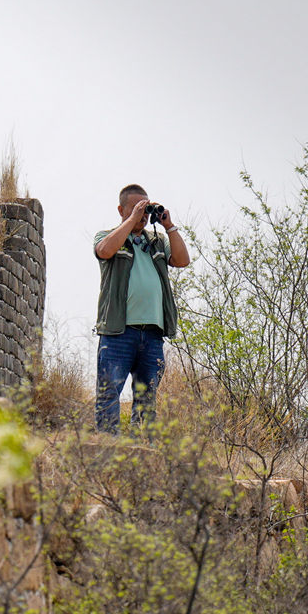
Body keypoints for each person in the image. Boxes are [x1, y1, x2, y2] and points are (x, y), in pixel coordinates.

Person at [92, 184, 191, 434]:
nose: (143, 215)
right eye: (137, 208)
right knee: (109, 393)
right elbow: (104, 251)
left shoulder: (156, 242)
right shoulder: (107, 236)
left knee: (147, 398)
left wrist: (169, 226)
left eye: (145, 209)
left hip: (152, 333)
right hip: (118, 331)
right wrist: (131, 221)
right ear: (121, 209)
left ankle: (143, 449)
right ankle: (108, 447)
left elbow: (182, 260)